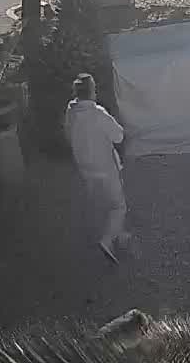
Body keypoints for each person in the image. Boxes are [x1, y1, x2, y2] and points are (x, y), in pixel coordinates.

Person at [65, 73, 130, 262]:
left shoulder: (71, 111)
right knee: (118, 206)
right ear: (92, 91)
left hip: (84, 168)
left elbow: (68, 135)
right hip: (105, 168)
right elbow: (119, 136)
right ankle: (107, 240)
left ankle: (116, 233)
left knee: (99, 203)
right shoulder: (98, 114)